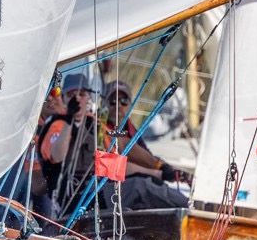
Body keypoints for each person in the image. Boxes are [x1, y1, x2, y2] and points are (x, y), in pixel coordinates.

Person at [100, 80, 190, 209]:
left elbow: (145, 156)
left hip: (126, 187)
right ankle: (187, 208)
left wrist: (164, 168)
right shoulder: (96, 128)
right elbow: (109, 165)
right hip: (104, 191)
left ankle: (190, 208)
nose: (118, 105)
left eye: (123, 101)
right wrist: (160, 172)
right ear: (103, 103)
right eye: (113, 101)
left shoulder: (131, 130)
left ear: (129, 104)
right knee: (143, 186)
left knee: (157, 186)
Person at [37, 72, 100, 217]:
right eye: (71, 95)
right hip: (67, 201)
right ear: (64, 98)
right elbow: (57, 156)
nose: (77, 98)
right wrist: (69, 119)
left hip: (97, 193)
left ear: (88, 97)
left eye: (82, 94)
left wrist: (150, 170)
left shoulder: (95, 125)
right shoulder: (56, 125)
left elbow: (112, 156)